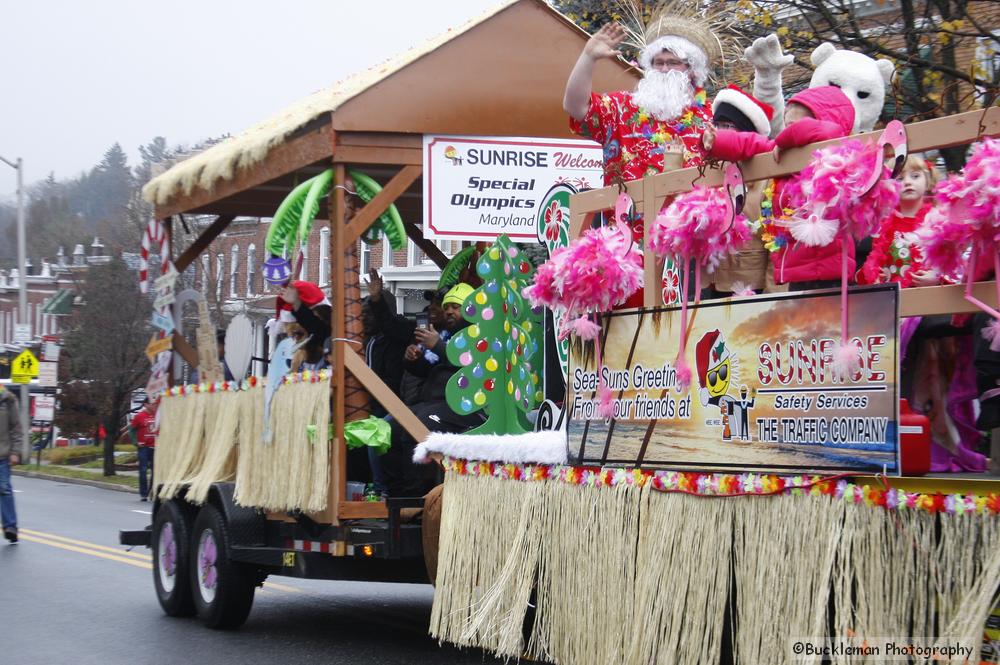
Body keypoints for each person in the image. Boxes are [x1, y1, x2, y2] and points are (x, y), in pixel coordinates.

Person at [565, 14, 718, 307]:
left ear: (692, 70)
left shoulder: (710, 116)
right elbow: (575, 105)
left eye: (672, 63)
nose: (663, 69)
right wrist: (588, 57)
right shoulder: (623, 109)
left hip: (690, 256)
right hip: (628, 254)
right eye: (657, 62)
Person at [702, 85, 857, 291]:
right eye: (786, 125)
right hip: (795, 270)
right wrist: (717, 140)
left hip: (828, 268)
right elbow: (751, 143)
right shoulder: (782, 151)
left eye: (793, 124)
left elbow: (827, 131)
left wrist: (785, 139)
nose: (787, 131)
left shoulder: (834, 147)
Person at [380, 283, 484, 496]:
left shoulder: (480, 335)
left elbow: (472, 365)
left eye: (456, 306)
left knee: (417, 426)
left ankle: (415, 498)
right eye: (447, 307)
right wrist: (412, 359)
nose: (449, 311)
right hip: (432, 402)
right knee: (388, 429)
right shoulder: (445, 336)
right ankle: (394, 495)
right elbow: (423, 370)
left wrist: (438, 345)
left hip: (465, 408)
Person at [700, 86, 775, 297]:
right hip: (708, 287)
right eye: (717, 124)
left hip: (750, 289)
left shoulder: (766, 178)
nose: (719, 131)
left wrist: (774, 297)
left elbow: (776, 244)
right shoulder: (708, 172)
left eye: (728, 126)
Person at [857, 156, 940, 288]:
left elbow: (951, 264)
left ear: (927, 181)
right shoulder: (882, 225)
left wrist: (937, 278)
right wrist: (873, 276)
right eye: (900, 178)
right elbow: (873, 263)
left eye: (915, 176)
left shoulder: (937, 221)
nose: (907, 182)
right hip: (893, 302)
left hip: (929, 300)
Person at [0, 386, 24, 542]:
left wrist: (15, 452)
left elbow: (16, 428)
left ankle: (10, 527)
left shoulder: (7, 399)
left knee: (4, 490)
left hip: (2, 454)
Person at [130, 398, 158, 501]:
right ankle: (143, 493)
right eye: (152, 404)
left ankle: (152, 491)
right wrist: (135, 442)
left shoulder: (158, 415)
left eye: (155, 404)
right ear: (145, 404)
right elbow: (131, 431)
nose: (154, 405)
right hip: (144, 448)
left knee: (156, 471)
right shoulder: (139, 416)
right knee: (143, 470)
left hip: (156, 447)